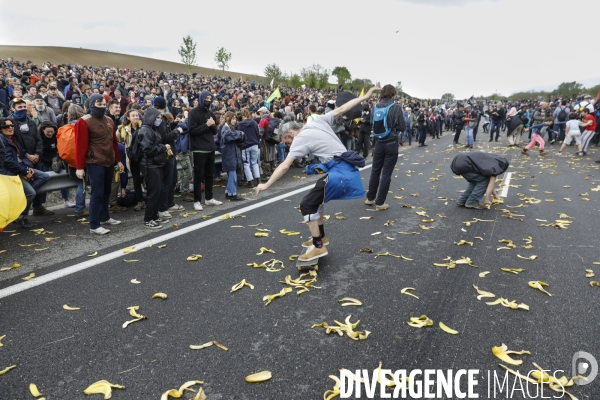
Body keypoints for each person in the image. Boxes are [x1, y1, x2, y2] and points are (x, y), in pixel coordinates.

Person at [255, 86, 380, 262]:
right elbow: (343, 108)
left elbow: (284, 167)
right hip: (345, 170)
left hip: (341, 175)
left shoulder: (299, 140)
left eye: (286, 142)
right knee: (317, 200)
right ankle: (321, 237)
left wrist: (266, 184)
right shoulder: (317, 122)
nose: (289, 146)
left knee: (307, 204)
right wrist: (366, 96)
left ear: (290, 133)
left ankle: (318, 247)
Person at [74, 94, 124, 235]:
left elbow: (114, 142)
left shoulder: (109, 120)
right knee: (97, 192)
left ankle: (104, 216)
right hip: (94, 161)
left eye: (103, 104)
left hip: (109, 160)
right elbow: (80, 146)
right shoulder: (83, 121)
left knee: (107, 191)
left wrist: (119, 160)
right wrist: (79, 167)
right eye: (98, 104)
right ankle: (94, 225)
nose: (101, 106)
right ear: (91, 105)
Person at [0, 117, 49, 229]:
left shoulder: (13, 139)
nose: (10, 128)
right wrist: (24, 171)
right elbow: (7, 162)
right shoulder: (2, 140)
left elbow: (22, 155)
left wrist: (28, 167)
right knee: (31, 193)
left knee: (44, 176)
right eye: (6, 126)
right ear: (0, 129)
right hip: (10, 173)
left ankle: (20, 201)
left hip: (21, 168)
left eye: (12, 125)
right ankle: (22, 217)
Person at [10, 98, 54, 216]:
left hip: (36, 158)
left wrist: (37, 154)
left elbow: (39, 139)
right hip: (21, 159)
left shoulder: (31, 121)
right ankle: (21, 210)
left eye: (24, 107)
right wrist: (27, 155)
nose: (23, 109)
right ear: (12, 109)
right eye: (19, 107)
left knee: (39, 180)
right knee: (27, 184)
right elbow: (14, 142)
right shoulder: (10, 124)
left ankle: (37, 206)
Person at [365, 85, 405, 210]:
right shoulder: (396, 107)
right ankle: (380, 202)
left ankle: (370, 198)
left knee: (375, 170)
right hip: (391, 142)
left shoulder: (375, 107)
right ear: (393, 94)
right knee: (386, 173)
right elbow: (403, 127)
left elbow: (372, 123)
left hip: (379, 142)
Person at [188, 90, 222, 211]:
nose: (208, 100)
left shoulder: (211, 113)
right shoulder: (193, 113)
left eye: (210, 98)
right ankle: (197, 201)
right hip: (199, 149)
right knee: (198, 176)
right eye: (206, 98)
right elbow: (191, 131)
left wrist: (213, 126)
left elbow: (214, 132)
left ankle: (209, 198)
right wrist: (206, 125)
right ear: (202, 98)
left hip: (210, 148)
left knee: (209, 175)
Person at [137, 107, 170, 229]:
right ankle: (148, 219)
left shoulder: (152, 129)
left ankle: (154, 216)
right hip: (149, 165)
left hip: (155, 164)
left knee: (158, 191)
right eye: (157, 117)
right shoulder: (145, 130)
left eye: (160, 117)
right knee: (153, 193)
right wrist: (163, 147)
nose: (159, 120)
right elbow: (148, 149)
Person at [38, 121, 75, 208]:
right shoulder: (39, 138)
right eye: (48, 132)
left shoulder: (56, 136)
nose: (50, 133)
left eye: (52, 131)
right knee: (43, 180)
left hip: (55, 159)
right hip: (43, 160)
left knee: (62, 177)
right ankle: (41, 203)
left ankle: (66, 199)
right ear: (43, 130)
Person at [118, 108, 145, 211]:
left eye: (137, 115)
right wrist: (119, 130)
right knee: (136, 181)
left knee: (148, 179)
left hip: (144, 157)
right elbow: (119, 139)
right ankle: (140, 201)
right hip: (133, 158)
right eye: (133, 116)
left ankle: (150, 199)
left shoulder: (143, 126)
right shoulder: (125, 129)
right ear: (128, 118)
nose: (136, 117)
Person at [220, 111, 245, 201]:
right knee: (232, 175)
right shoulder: (225, 128)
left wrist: (240, 135)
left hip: (231, 155)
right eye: (233, 119)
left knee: (232, 175)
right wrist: (239, 134)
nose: (234, 121)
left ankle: (229, 192)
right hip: (229, 155)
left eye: (235, 119)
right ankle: (232, 194)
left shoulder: (230, 128)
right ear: (228, 118)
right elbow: (228, 137)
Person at [237, 108, 261, 188]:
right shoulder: (254, 122)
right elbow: (257, 133)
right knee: (254, 163)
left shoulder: (240, 124)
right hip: (254, 144)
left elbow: (239, 136)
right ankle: (258, 179)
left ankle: (250, 181)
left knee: (246, 164)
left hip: (245, 146)